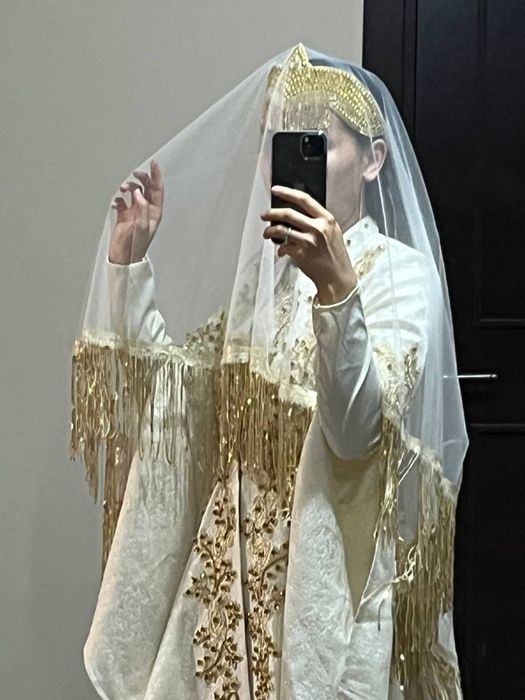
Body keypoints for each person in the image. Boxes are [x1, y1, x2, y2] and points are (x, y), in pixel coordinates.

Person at [71, 44, 468, 698]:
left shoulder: (396, 274)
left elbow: (355, 434)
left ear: (373, 159)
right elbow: (184, 396)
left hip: (325, 589)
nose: (286, 163)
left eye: (315, 143)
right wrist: (129, 267)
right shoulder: (268, 280)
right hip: (227, 584)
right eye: (275, 145)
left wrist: (337, 293)